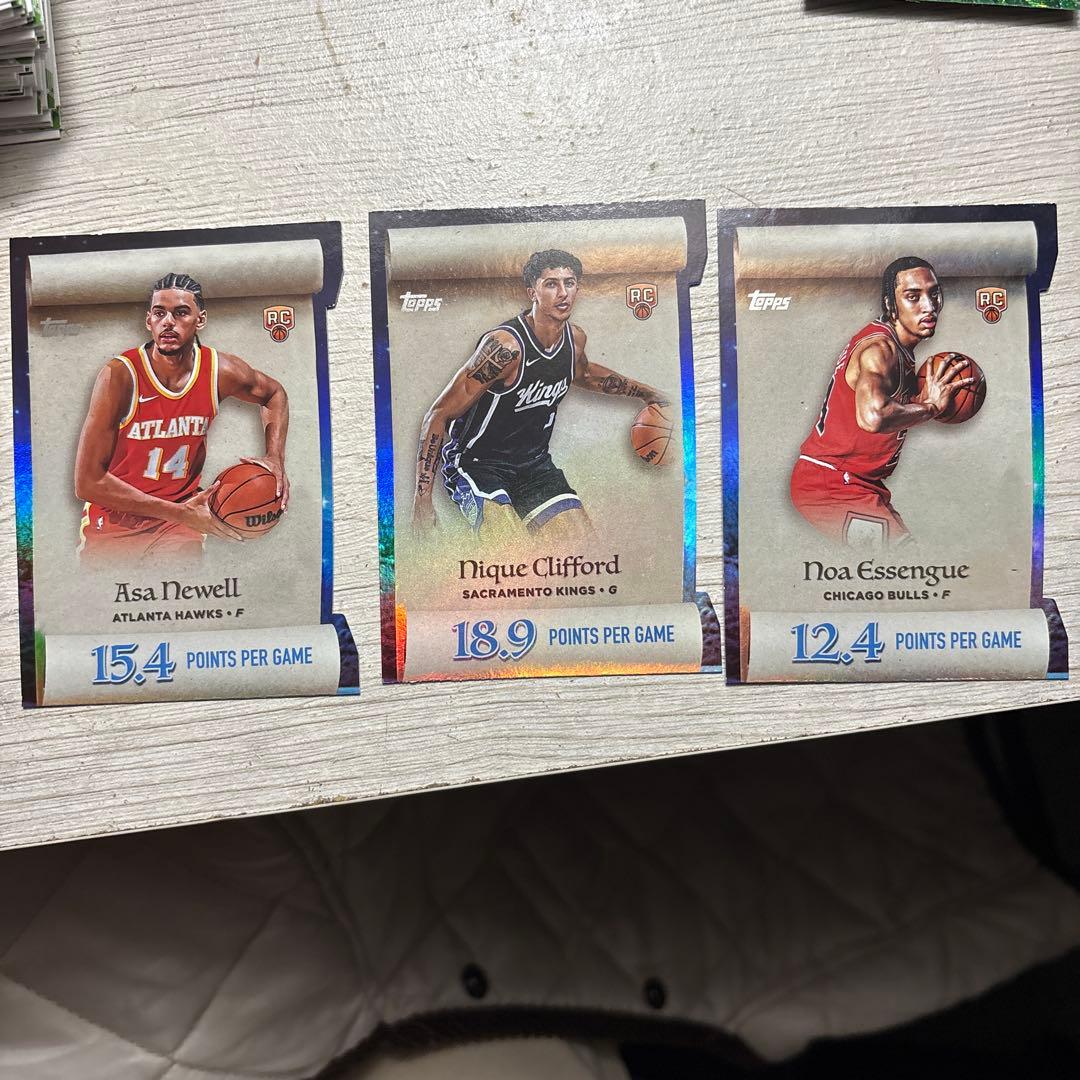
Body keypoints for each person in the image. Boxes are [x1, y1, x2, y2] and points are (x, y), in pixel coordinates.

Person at [412, 249, 668, 542]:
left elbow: (585, 374)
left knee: (585, 550)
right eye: (551, 284)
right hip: (478, 464)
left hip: (534, 466)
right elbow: (439, 414)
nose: (563, 293)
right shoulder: (505, 348)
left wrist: (649, 394)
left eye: (569, 283)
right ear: (532, 292)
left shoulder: (575, 340)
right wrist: (422, 500)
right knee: (509, 551)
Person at [74, 272, 289, 560]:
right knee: (113, 588)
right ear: (148, 320)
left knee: (181, 577)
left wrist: (275, 457)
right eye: (159, 313)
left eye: (181, 313)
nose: (168, 322)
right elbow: (87, 482)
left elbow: (274, 394)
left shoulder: (220, 371)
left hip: (178, 520)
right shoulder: (120, 376)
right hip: (116, 518)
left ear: (200, 320)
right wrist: (181, 513)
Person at [789, 256, 974, 547]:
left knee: (903, 563)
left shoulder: (900, 351)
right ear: (890, 304)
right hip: (830, 483)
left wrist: (919, 403)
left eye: (934, 294)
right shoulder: (879, 349)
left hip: (860, 484)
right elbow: (873, 416)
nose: (928, 306)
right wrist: (931, 408)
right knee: (902, 561)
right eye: (913, 296)